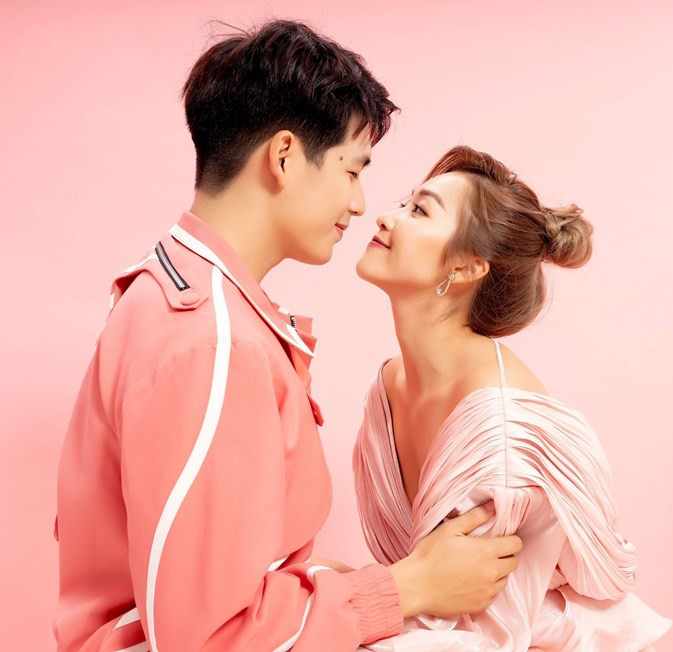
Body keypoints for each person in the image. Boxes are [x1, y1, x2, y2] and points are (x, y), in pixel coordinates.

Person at [54, 21, 522, 652]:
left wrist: (341, 582)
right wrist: (408, 587)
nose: (361, 205)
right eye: (351, 170)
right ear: (283, 158)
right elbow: (208, 639)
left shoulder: (171, 287)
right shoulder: (215, 343)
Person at [353, 145, 673, 650]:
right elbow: (417, 584)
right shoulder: (390, 385)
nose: (386, 217)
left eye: (419, 211)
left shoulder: (502, 431)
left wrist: (332, 606)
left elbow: (483, 635)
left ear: (465, 269)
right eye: (403, 203)